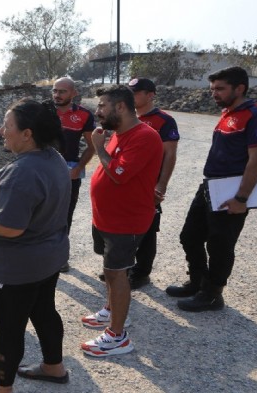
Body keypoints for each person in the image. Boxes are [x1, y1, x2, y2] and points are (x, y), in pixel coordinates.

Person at [0, 99, 70, 393]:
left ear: (27, 133)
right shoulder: (52, 156)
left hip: (15, 269)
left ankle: (0, 387)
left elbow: (10, 227)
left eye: (7, 126)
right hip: (46, 260)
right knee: (44, 310)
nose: (0, 131)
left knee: (9, 327)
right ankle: (53, 367)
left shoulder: (24, 172)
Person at [166, 66, 257, 312]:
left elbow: (256, 160)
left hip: (231, 191)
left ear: (240, 88)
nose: (214, 93)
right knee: (189, 236)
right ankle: (197, 282)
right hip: (210, 185)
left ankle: (213, 294)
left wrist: (241, 198)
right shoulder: (228, 112)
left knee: (220, 245)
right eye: (212, 88)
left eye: (220, 89)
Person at [80, 85, 163, 357]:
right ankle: (112, 310)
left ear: (121, 107)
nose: (97, 111)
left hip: (125, 221)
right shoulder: (119, 133)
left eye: (102, 105)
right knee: (109, 270)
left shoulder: (144, 136)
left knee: (117, 274)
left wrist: (98, 148)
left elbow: (117, 172)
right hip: (108, 218)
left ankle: (118, 336)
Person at [128, 78, 180, 289]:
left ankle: (142, 273)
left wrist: (161, 185)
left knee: (147, 229)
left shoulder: (163, 121)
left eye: (136, 92)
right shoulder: (126, 117)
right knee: (124, 226)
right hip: (126, 182)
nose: (131, 96)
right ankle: (122, 268)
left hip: (148, 185)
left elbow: (170, 155)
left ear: (150, 95)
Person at [49, 77, 96, 272]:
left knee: (65, 214)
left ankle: (60, 257)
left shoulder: (84, 115)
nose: (57, 95)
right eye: (54, 91)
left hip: (69, 169)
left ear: (73, 93)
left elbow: (92, 145)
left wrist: (78, 168)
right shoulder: (44, 111)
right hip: (42, 168)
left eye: (62, 91)